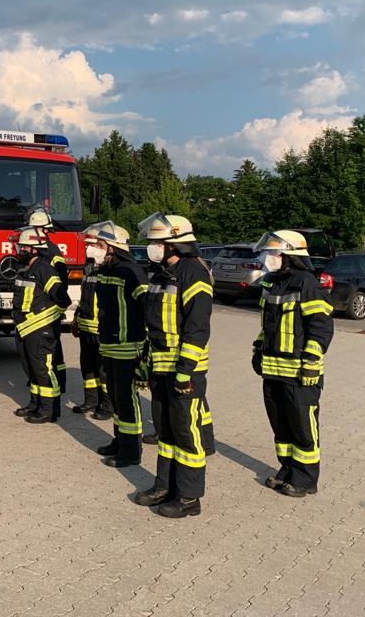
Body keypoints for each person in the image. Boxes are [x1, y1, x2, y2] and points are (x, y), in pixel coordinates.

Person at [132, 214, 213, 518]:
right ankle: (165, 486)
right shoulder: (161, 274)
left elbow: (197, 328)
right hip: (161, 367)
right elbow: (152, 322)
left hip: (184, 372)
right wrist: (144, 359)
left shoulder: (194, 273)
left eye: (158, 242)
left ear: (175, 244)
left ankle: (189, 497)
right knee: (165, 432)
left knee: (186, 433)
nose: (153, 247)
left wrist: (185, 370)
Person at [252, 230, 335, 498]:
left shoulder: (307, 283)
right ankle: (287, 470)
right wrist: (258, 348)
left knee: (302, 427)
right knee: (281, 426)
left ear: (289, 256)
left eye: (274, 253)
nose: (269, 257)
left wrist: (311, 360)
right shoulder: (272, 283)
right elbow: (268, 325)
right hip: (273, 371)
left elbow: (321, 326)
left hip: (299, 373)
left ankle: (306, 478)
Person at [90, 221, 148, 468]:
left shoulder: (130, 271)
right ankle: (119, 440)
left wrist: (145, 346)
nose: (95, 248)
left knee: (126, 398)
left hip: (128, 346)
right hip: (110, 344)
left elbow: (147, 306)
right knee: (115, 396)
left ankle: (131, 451)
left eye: (100, 245)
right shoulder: (105, 270)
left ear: (113, 248)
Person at [11, 226, 72, 423]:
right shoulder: (25, 269)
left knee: (43, 370)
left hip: (39, 329)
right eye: (20, 246)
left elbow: (63, 299)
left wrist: (47, 319)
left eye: (24, 247)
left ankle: (49, 409)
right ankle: (35, 403)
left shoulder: (44, 270)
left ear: (35, 249)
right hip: (25, 328)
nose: (20, 250)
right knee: (32, 369)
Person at [28, 208, 69, 414]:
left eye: (37, 228)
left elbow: (61, 284)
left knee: (53, 356)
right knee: (43, 358)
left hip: (49, 312)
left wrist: (56, 308)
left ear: (45, 230)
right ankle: (38, 398)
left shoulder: (53, 252)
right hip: (39, 312)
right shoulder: (36, 251)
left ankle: (58, 388)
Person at [72, 223, 112, 420]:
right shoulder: (89, 267)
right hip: (86, 326)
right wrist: (76, 319)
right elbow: (84, 297)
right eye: (90, 245)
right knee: (87, 367)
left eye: (97, 245)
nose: (91, 248)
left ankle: (107, 405)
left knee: (103, 370)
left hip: (102, 329)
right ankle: (91, 401)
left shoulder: (112, 269)